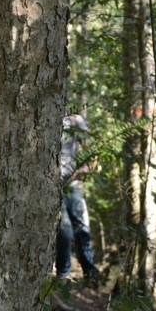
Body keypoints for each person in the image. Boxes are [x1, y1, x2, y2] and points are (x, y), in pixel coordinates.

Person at [56, 114, 100, 282]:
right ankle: (62, 275)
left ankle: (91, 275)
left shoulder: (75, 120)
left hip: (72, 184)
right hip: (53, 187)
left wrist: (83, 170)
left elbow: (89, 149)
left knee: (82, 228)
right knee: (64, 230)